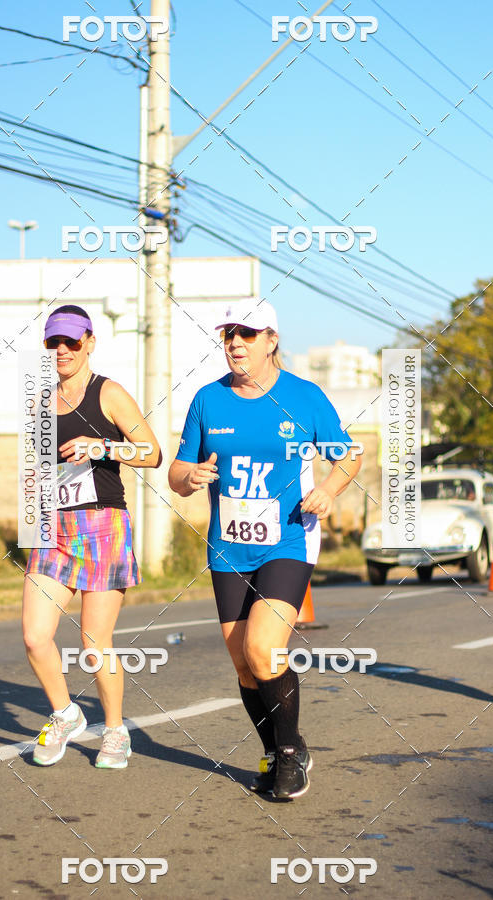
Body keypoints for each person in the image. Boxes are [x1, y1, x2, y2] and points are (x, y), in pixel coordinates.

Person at [168, 300, 362, 799]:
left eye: (247, 334)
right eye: (229, 333)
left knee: (264, 648)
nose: (235, 342)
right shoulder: (209, 400)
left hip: (289, 538)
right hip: (228, 546)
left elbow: (348, 457)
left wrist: (330, 490)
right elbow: (176, 472)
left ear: (271, 340)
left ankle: (291, 756)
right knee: (242, 662)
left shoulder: (304, 397)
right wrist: (189, 477)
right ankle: (278, 748)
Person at [23, 304, 161, 769]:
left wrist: (101, 446)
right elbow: (36, 471)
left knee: (93, 644)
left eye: (71, 342)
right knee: (35, 637)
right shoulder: (39, 400)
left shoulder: (109, 393)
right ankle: (65, 714)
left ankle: (116, 731)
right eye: (53, 343)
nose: (62, 350)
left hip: (103, 526)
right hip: (53, 529)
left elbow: (153, 453)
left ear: (89, 343)